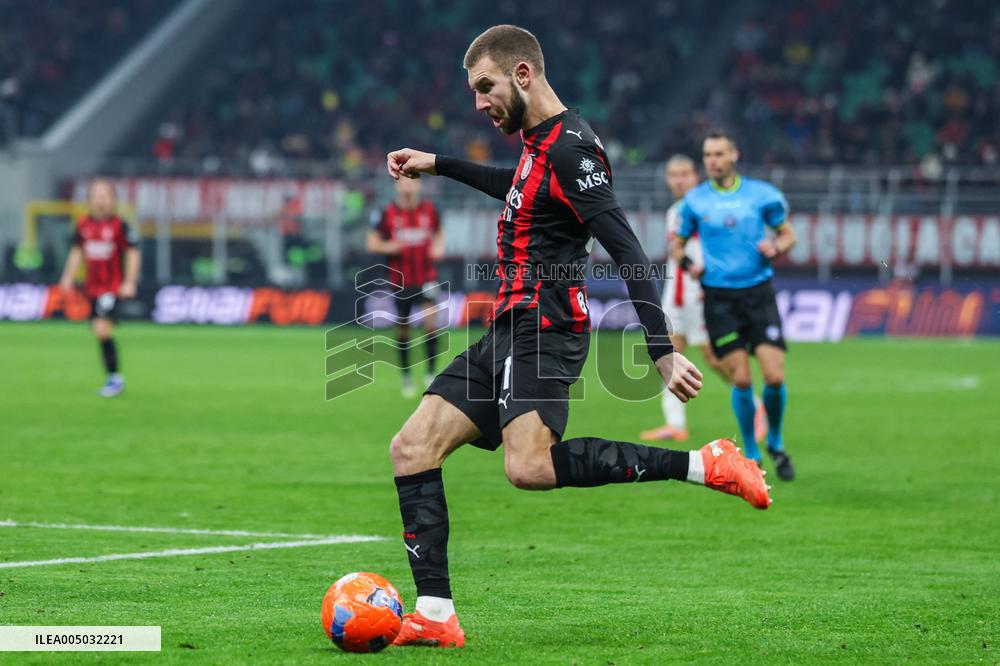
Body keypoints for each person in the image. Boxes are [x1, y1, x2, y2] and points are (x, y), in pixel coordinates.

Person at [383, 25, 771, 649]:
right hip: (506, 328)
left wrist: (662, 349)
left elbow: (628, 251)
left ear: (523, 74)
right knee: (411, 448)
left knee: (530, 467)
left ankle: (705, 463)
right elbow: (514, 190)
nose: (478, 103)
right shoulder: (540, 146)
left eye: (484, 88)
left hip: (545, 328)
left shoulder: (572, 150)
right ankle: (434, 614)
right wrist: (440, 164)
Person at [673, 131, 796, 480]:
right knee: (741, 380)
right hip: (719, 299)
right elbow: (678, 247)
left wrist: (778, 246)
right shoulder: (695, 202)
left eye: (718, 153)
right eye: (707, 154)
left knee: (774, 375)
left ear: (734, 155)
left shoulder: (762, 195)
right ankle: (753, 453)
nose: (712, 160)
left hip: (759, 294)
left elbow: (789, 234)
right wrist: (687, 265)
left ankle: (775, 440)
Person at [641, 155, 767, 444]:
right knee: (667, 354)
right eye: (673, 174)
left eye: (684, 173)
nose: (679, 179)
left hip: (702, 294)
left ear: (695, 176)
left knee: (714, 358)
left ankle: (757, 407)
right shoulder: (675, 211)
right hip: (676, 295)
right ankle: (675, 424)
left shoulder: (709, 206)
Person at [58, 179, 140, 397]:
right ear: (89, 200)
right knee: (99, 330)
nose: (100, 200)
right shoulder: (84, 225)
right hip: (91, 288)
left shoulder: (120, 226)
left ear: (113, 200)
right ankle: (113, 377)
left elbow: (133, 253)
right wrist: (67, 277)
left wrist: (129, 282)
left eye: (104, 196)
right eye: (96, 196)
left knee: (102, 328)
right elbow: (77, 252)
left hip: (111, 287)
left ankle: (114, 379)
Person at [366, 177, 446, 397]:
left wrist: (439, 247)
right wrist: (389, 246)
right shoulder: (385, 213)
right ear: (397, 186)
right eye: (404, 182)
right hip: (399, 281)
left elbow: (439, 233)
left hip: (427, 277)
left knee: (431, 323)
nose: (408, 186)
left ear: (419, 185)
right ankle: (406, 375)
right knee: (403, 329)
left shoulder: (430, 210)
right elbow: (371, 242)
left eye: (412, 182)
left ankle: (430, 373)